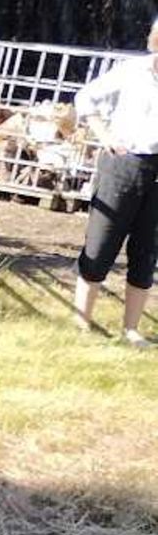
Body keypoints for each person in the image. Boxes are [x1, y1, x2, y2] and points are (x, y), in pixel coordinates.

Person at [72, 18, 158, 346]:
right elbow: (86, 98)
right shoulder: (131, 72)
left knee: (147, 250)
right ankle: (81, 322)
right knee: (101, 241)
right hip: (122, 163)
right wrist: (104, 135)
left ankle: (132, 330)